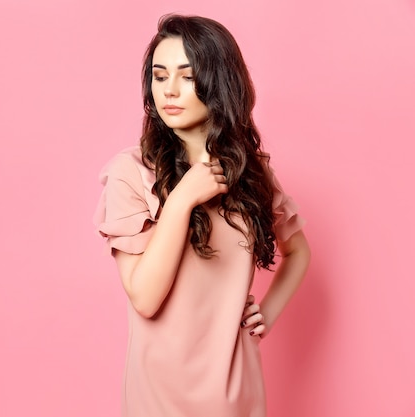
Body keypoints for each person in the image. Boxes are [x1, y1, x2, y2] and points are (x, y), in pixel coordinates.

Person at [93, 14, 311, 417]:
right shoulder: (131, 171)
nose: (169, 91)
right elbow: (144, 297)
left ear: (219, 82)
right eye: (159, 76)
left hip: (236, 392)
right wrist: (181, 200)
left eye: (187, 76)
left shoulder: (253, 173)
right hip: (157, 396)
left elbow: (298, 252)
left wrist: (266, 315)